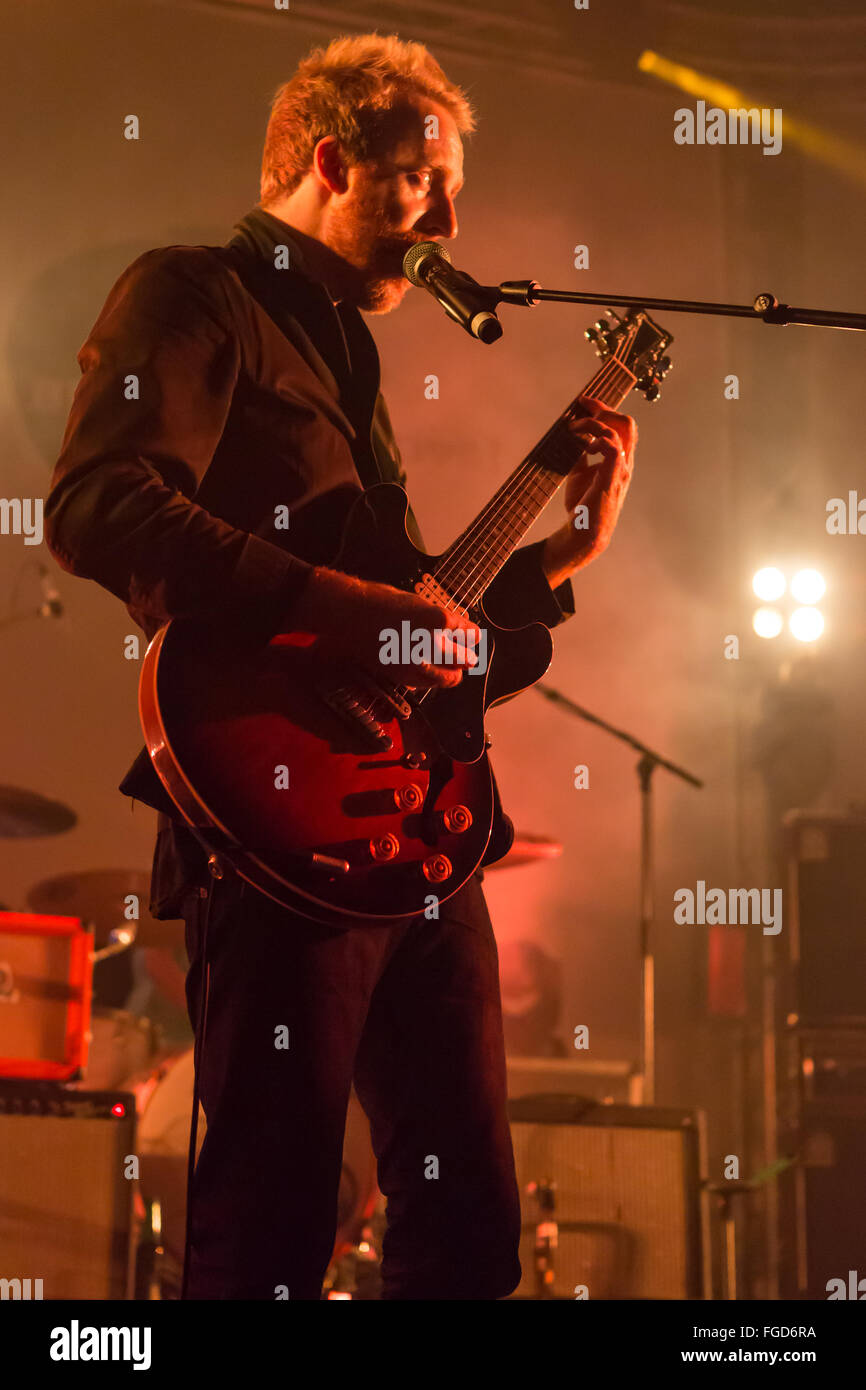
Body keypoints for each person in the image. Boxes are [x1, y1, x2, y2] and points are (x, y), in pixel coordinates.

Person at [45, 34, 637, 1300]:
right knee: (272, 1219)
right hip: (270, 821)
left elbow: (418, 639)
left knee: (467, 1226)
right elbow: (100, 504)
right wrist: (343, 609)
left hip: (415, 834)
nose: (451, 219)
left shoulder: (348, 350)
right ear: (329, 162)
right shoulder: (195, 295)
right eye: (427, 182)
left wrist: (566, 557)